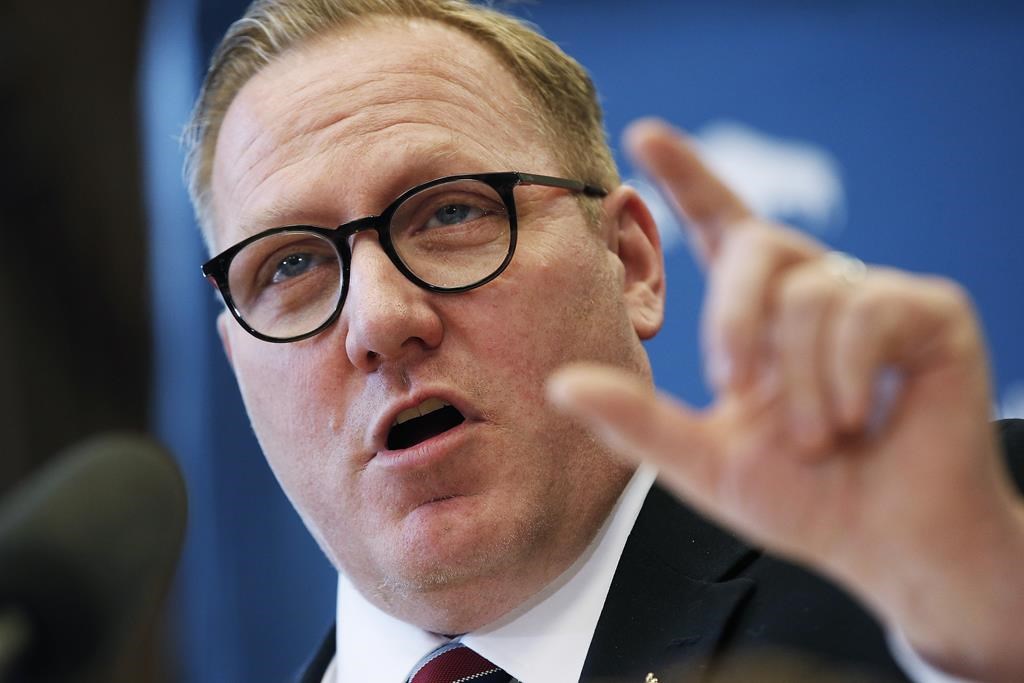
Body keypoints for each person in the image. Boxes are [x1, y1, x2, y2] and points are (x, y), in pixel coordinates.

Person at [184, 1, 1024, 681]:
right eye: (289, 264)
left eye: (451, 212)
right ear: (239, 364)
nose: (378, 320)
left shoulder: (943, 564)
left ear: (631, 264)